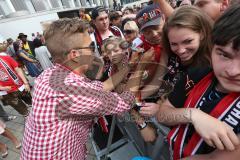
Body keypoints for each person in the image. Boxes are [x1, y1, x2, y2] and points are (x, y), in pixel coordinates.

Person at [20, 18, 153, 160]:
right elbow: (125, 101)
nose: (93, 52)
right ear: (75, 55)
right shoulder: (71, 91)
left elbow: (103, 86)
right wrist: (141, 65)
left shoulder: (51, 74)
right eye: (90, 47)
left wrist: (129, 65)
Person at [155, 4, 240, 159]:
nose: (233, 70)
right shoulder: (200, 71)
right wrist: (194, 115)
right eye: (224, 55)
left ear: (203, 35)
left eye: (188, 41)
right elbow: (162, 114)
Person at [0, 43, 30, 117]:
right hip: (6, 92)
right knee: (22, 110)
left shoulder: (5, 58)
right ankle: (28, 117)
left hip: (19, 86)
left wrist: (26, 83)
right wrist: (1, 88)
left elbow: (18, 70)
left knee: (31, 102)